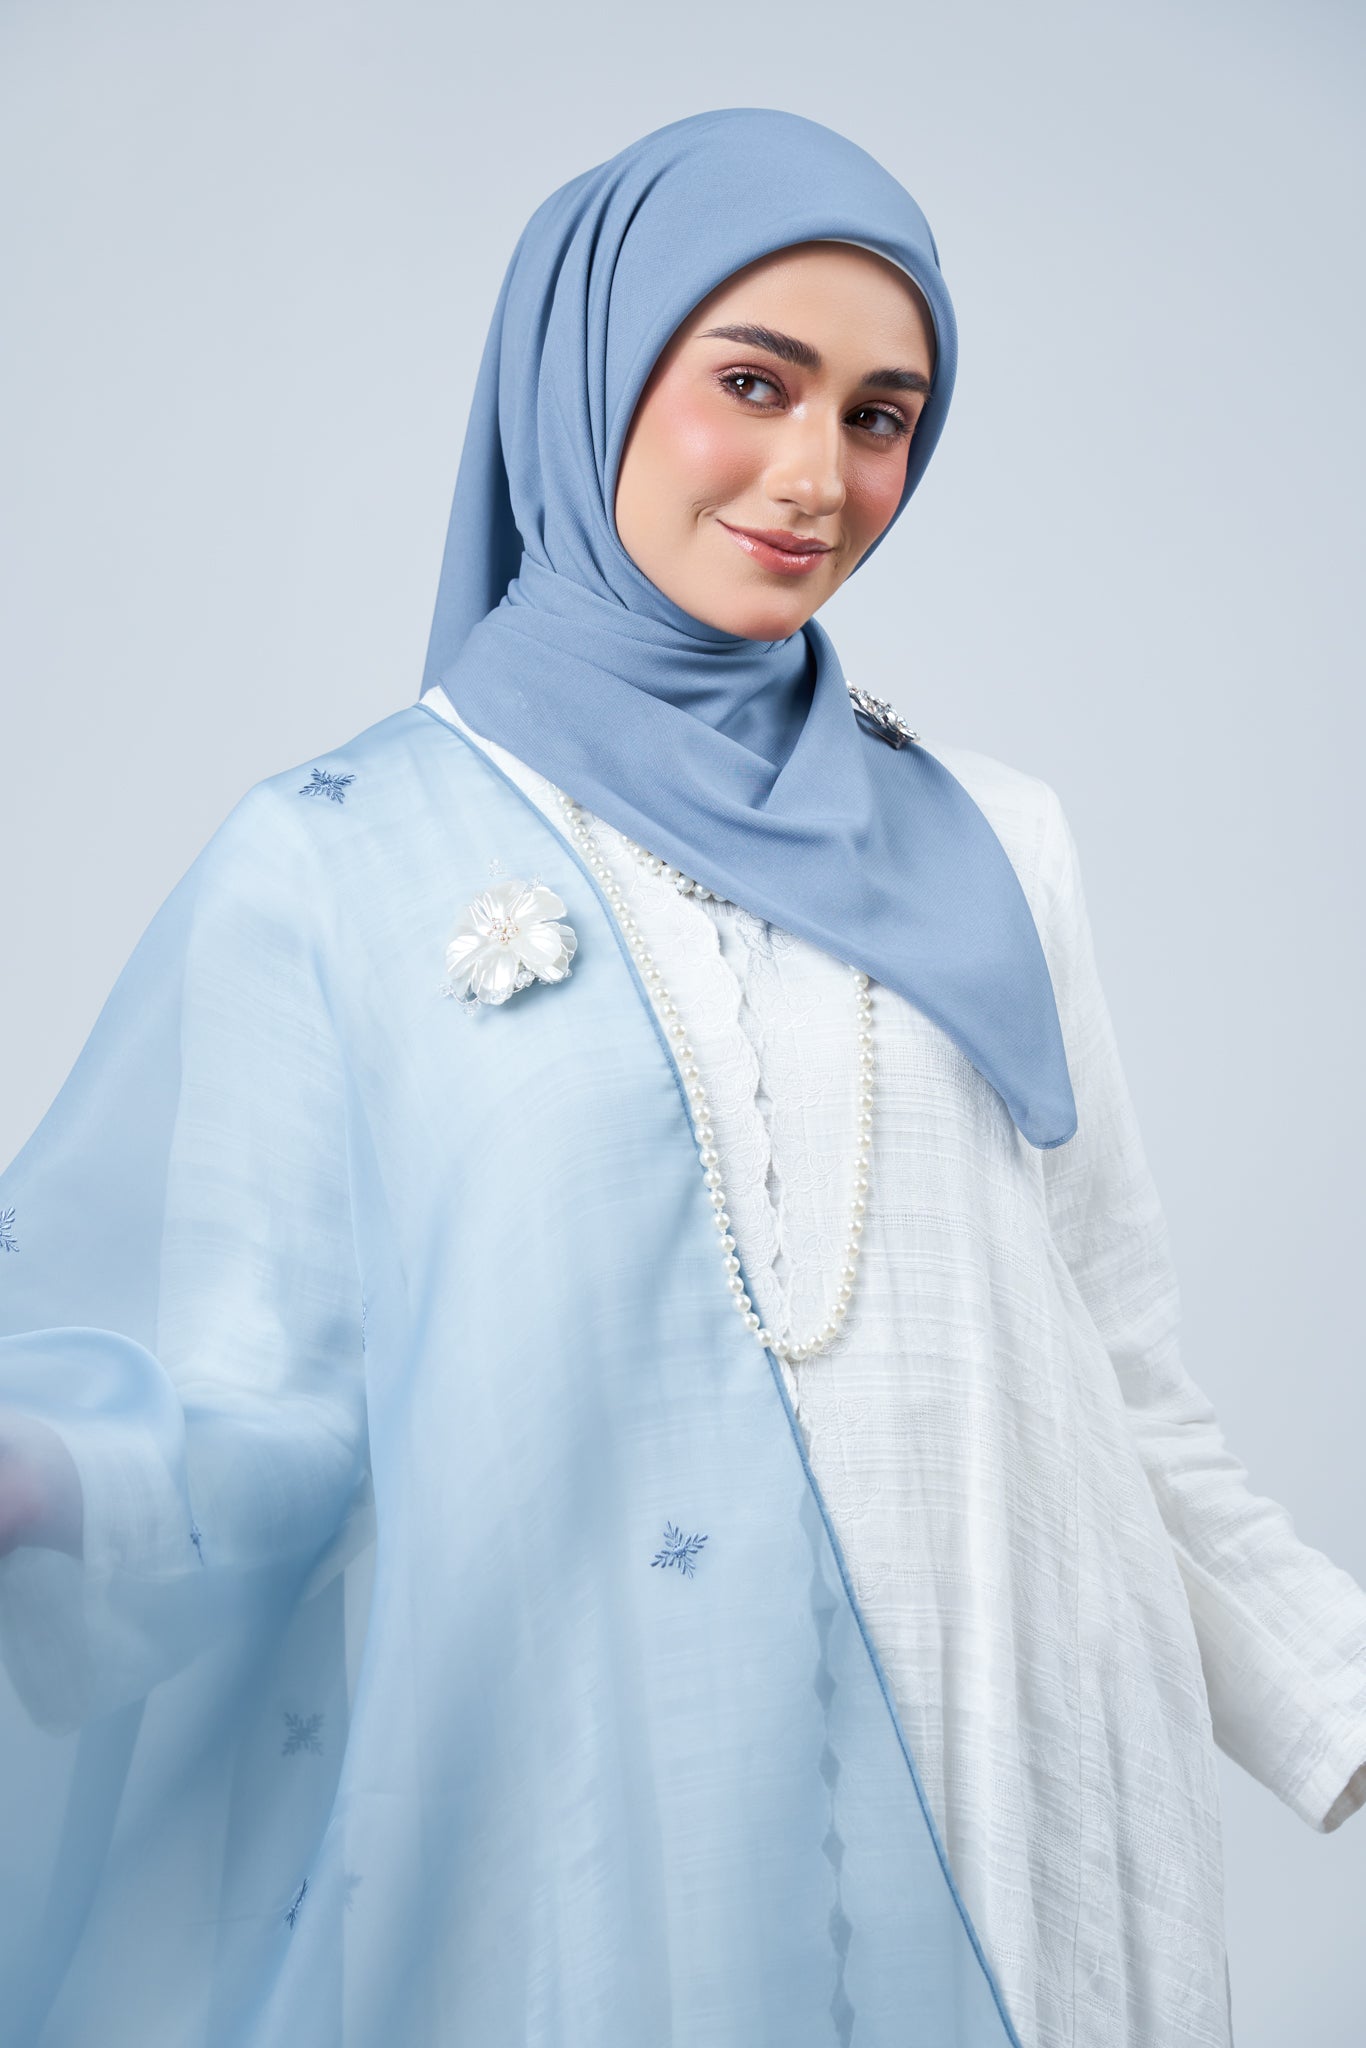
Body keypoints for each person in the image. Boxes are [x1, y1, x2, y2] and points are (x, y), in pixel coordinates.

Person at [0, 105, 1361, 2048]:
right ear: (589, 370)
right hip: (611, 1819)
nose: (817, 477)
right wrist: (50, 1476)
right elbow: (267, 1410)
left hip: (1028, 1784)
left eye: (879, 417)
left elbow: (1124, 1397)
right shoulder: (336, 861)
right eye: (752, 383)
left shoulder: (994, 838)